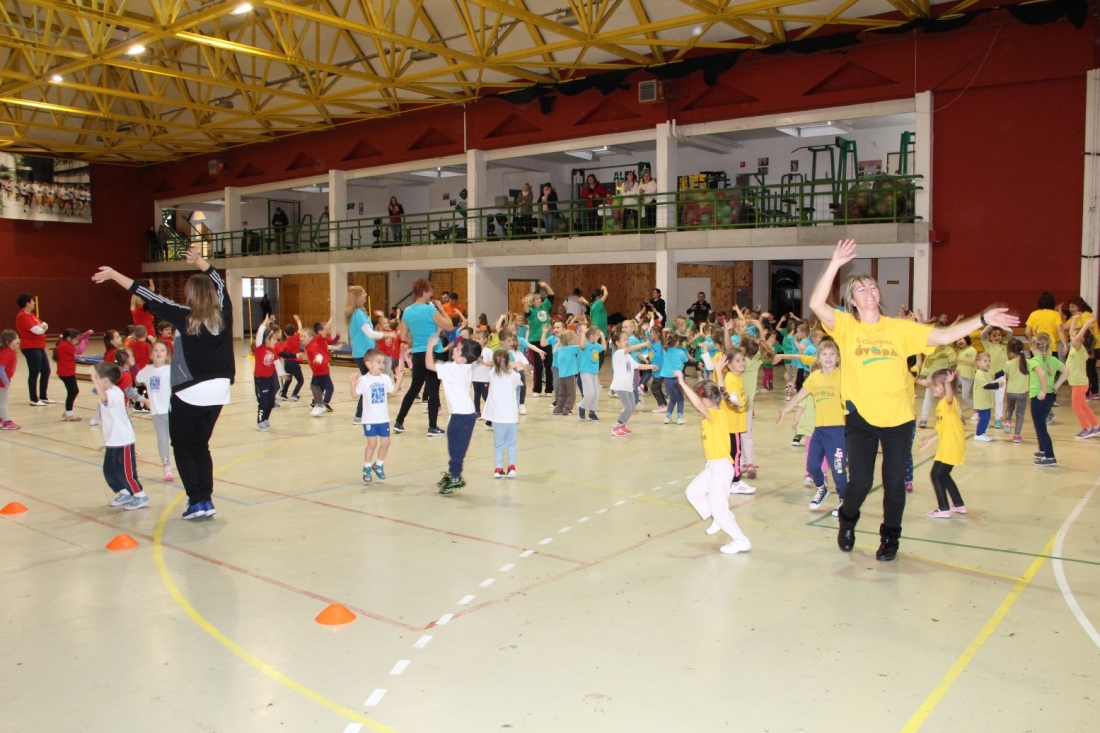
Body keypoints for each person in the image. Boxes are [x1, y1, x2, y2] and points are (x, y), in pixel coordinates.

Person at [810, 238, 1018, 561]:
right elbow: (816, 303)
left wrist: (983, 319)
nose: (869, 292)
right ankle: (847, 521)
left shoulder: (900, 329)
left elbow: (944, 335)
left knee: (894, 484)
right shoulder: (847, 326)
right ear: (852, 301)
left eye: (873, 287)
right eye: (861, 289)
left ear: (879, 295)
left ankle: (890, 537)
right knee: (860, 482)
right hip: (861, 417)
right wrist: (836, 262)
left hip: (899, 418)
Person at [93, 246, 234, 520]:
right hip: (220, 390)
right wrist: (200, 261)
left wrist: (114, 274)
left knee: (182, 445)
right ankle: (206, 499)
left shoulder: (186, 316)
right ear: (213, 295)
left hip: (191, 391)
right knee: (200, 445)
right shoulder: (225, 315)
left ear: (191, 296)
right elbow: (219, 281)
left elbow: (147, 295)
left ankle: (196, 501)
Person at [677, 368, 752, 555]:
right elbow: (721, 389)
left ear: (705, 400)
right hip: (712, 467)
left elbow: (698, 404)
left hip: (721, 468)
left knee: (720, 509)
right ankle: (717, 518)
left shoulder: (715, 415)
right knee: (693, 492)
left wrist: (682, 383)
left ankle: (741, 540)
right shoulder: (721, 408)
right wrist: (718, 370)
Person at [777, 338, 846, 511]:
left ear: (838, 358)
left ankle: (844, 499)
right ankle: (821, 489)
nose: (828, 357)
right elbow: (799, 396)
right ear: (818, 358)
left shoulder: (843, 375)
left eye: (832, 354)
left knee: (838, 469)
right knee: (812, 465)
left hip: (838, 430)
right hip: (819, 429)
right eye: (824, 354)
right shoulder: (815, 377)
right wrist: (785, 410)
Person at [394, 278, 453, 436]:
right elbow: (449, 326)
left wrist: (417, 336)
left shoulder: (407, 311)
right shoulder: (429, 310)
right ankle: (432, 426)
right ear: (425, 292)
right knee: (433, 389)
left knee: (414, 387)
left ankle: (399, 422)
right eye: (430, 291)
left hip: (418, 353)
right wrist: (441, 310)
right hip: (433, 351)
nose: (432, 294)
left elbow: (403, 336)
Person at [91, 361, 150, 511]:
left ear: (104, 380)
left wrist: (94, 378)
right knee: (110, 471)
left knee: (125, 472)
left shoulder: (114, 393)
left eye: (97, 378)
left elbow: (104, 398)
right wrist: (96, 378)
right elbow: (98, 392)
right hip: (113, 441)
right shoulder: (108, 390)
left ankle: (140, 495)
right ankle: (126, 492)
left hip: (123, 440)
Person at [427, 336, 480, 494]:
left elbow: (429, 365)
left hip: (462, 416)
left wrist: (429, 346)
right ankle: (452, 473)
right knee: (454, 447)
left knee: (457, 449)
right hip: (460, 415)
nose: (453, 349)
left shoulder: (454, 369)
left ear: (463, 359)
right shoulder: (465, 366)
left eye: (457, 349)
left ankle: (456, 478)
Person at [919, 369, 968, 518]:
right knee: (944, 475)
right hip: (948, 444)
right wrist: (930, 439)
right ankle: (959, 505)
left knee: (935, 474)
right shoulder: (941, 404)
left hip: (951, 445)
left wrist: (947, 384)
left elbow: (950, 396)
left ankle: (944, 508)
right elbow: (942, 428)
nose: (933, 388)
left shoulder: (949, 402)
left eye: (936, 385)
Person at [345, 286, 390, 425]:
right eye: (364, 292)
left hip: (365, 352)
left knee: (369, 382)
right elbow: (369, 333)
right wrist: (386, 334)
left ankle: (362, 415)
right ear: (358, 296)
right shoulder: (358, 314)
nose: (366, 294)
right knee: (368, 383)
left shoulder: (359, 313)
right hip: (363, 353)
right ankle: (359, 416)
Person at [351, 349, 395, 484]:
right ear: (369, 364)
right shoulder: (363, 380)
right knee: (372, 444)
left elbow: (393, 393)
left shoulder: (385, 379)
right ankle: (367, 467)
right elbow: (354, 395)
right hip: (370, 419)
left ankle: (379, 464)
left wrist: (399, 380)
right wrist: (353, 385)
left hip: (383, 418)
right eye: (378, 362)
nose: (382, 365)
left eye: (383, 362)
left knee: (386, 443)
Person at [1054, 315, 1099, 438]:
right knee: (1083, 405)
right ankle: (1096, 426)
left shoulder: (1080, 349)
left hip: (1080, 383)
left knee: (1076, 407)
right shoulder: (1074, 347)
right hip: (1077, 383)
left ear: (1082, 339)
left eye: (1075, 337)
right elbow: (1072, 334)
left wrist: (1086, 325)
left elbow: (1077, 337)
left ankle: (1086, 428)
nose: (1072, 338)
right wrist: (1074, 320)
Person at [137, 341, 174, 482]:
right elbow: (138, 378)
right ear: (151, 354)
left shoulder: (170, 370)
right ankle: (167, 467)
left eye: (162, 350)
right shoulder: (147, 370)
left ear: (167, 355)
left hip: (171, 412)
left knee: (178, 441)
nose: (159, 352)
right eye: (156, 350)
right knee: (162, 440)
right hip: (156, 413)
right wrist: (132, 364)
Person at [610, 328, 656, 436]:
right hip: (620, 386)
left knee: (632, 407)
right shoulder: (618, 353)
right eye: (624, 340)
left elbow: (637, 365)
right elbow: (630, 349)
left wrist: (651, 366)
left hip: (628, 386)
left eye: (627, 339)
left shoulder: (627, 356)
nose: (627, 341)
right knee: (628, 408)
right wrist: (644, 344)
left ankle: (622, 425)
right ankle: (616, 426)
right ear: (617, 343)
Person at [484, 349, 522, 478]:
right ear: (508, 360)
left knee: (498, 444)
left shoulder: (491, 374)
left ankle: (498, 468)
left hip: (497, 417)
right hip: (511, 416)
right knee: (511, 443)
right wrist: (514, 366)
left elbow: (495, 371)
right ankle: (512, 468)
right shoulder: (514, 375)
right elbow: (517, 383)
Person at [1028, 333, 1062, 466]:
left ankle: (1050, 456)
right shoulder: (1052, 359)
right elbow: (1066, 371)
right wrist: (1056, 385)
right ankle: (1043, 450)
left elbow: (1041, 374)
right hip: (1049, 396)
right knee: (1040, 424)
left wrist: (1043, 390)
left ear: (1034, 346)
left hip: (1039, 397)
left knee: (1041, 427)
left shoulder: (1035, 360)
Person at [15, 293, 52, 406]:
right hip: (30, 347)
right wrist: (41, 327)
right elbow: (38, 330)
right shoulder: (23, 316)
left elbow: (45, 325)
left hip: (39, 347)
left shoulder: (31, 315)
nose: (34, 303)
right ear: (27, 303)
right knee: (34, 372)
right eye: (32, 301)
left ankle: (43, 396)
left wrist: (41, 327)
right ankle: (34, 398)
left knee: (46, 370)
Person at [524, 281, 555, 396]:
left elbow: (551, 295)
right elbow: (526, 310)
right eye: (536, 299)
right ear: (532, 302)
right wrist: (525, 302)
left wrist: (546, 286)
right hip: (535, 341)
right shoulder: (531, 311)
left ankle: (549, 389)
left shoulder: (544, 307)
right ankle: (537, 390)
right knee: (538, 365)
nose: (539, 299)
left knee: (549, 365)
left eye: (539, 298)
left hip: (546, 340)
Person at [55, 328, 91, 422]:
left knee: (73, 391)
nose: (77, 342)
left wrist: (85, 335)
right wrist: (84, 341)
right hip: (66, 372)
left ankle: (68, 411)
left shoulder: (64, 344)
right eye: (75, 339)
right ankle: (69, 412)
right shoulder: (66, 346)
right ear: (68, 338)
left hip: (66, 371)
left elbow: (78, 342)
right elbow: (79, 351)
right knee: (73, 391)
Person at [658, 333, 690, 424]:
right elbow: (687, 362)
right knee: (680, 399)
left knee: (672, 399)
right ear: (677, 342)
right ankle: (680, 418)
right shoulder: (680, 352)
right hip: (677, 379)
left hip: (667, 380)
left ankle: (667, 417)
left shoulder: (665, 351)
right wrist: (697, 363)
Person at [971, 352, 1004, 442]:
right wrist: (998, 385)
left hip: (986, 401)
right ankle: (979, 434)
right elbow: (986, 385)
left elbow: (993, 376)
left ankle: (982, 432)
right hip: (982, 401)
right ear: (978, 362)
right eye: (985, 361)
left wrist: (1003, 371)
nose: (988, 363)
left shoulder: (986, 372)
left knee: (987, 418)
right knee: (984, 418)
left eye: (989, 361)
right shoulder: (979, 374)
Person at [305, 322, 334, 416]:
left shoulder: (315, 341)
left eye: (304, 336)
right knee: (313, 386)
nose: (301, 338)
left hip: (322, 369)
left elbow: (319, 355)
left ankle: (320, 405)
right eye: (301, 336)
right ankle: (317, 405)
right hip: (316, 370)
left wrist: (331, 318)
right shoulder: (308, 345)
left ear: (311, 337)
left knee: (317, 387)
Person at [253, 326, 279, 432]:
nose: (276, 341)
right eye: (274, 339)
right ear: (267, 339)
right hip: (261, 380)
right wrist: (265, 323)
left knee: (271, 402)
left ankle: (265, 419)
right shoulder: (259, 348)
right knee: (263, 403)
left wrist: (282, 373)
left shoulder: (272, 350)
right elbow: (259, 334)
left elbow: (276, 362)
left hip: (270, 378)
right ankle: (260, 421)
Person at [577, 327, 605, 422]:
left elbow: (604, 347)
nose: (598, 337)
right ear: (592, 336)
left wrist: (602, 335)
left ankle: (592, 412)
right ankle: (582, 406)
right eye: (597, 335)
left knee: (596, 393)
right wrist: (583, 333)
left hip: (594, 372)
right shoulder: (586, 344)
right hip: (585, 372)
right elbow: (581, 345)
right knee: (590, 392)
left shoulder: (596, 345)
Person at [279, 316, 304, 400]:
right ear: (294, 332)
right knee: (300, 380)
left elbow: (282, 353)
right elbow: (300, 329)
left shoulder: (284, 343)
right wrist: (298, 320)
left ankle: (283, 394)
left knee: (288, 379)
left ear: (285, 333)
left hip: (287, 363)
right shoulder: (295, 338)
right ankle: (294, 394)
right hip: (294, 363)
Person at [0, 330, 19, 430]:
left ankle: (1, 419)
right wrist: (6, 382)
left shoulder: (12, 351)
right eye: (15, 338)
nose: (18, 340)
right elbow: (0, 369)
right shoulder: (6, 353)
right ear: (8, 342)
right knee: (2, 402)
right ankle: (7, 422)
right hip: (1, 382)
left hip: (3, 380)